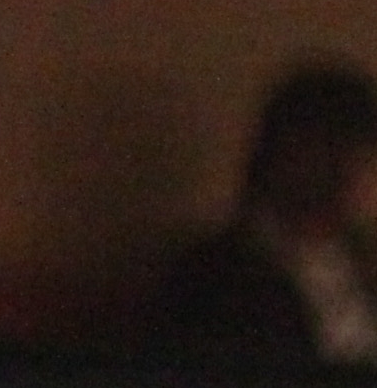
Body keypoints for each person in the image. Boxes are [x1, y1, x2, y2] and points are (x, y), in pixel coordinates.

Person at [146, 60, 377, 364]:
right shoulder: (214, 278)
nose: (344, 168)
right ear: (278, 151)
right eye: (324, 147)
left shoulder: (361, 265)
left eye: (357, 151)